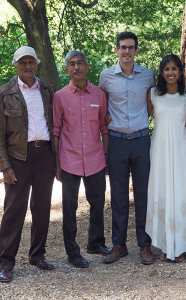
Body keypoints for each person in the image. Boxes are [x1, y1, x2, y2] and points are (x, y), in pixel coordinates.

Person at [0, 46, 56, 282]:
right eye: (23, 62)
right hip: (18, 157)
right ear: (15, 65)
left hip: (45, 155)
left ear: (37, 64)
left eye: (31, 62)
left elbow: (55, 124)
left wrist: (56, 158)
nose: (27, 66)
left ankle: (37, 255)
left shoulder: (48, 89)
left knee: (42, 208)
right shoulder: (3, 94)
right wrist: (5, 167)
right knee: (14, 211)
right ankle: (5, 263)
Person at [99, 31, 156, 265]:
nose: (127, 51)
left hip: (142, 139)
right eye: (122, 47)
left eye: (131, 47)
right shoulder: (106, 76)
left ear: (137, 50)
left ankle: (145, 244)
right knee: (119, 195)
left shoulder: (148, 75)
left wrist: (139, 123)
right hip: (117, 141)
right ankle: (119, 244)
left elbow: (150, 106)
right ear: (116, 50)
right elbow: (103, 107)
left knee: (144, 194)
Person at [53, 51, 110, 269]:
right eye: (72, 64)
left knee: (97, 203)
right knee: (69, 206)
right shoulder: (60, 97)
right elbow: (56, 129)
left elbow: (104, 127)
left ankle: (96, 243)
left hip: (96, 158)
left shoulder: (99, 95)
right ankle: (72, 252)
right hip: (69, 160)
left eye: (80, 63)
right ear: (67, 69)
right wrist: (57, 163)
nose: (76, 67)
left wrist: (106, 156)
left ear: (87, 67)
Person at [145, 54, 186, 262]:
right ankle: (165, 245)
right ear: (161, 72)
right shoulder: (153, 94)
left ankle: (180, 246)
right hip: (160, 148)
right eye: (167, 69)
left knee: (181, 193)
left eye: (174, 68)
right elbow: (142, 118)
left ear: (180, 72)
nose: (170, 72)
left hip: (181, 149)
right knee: (162, 193)